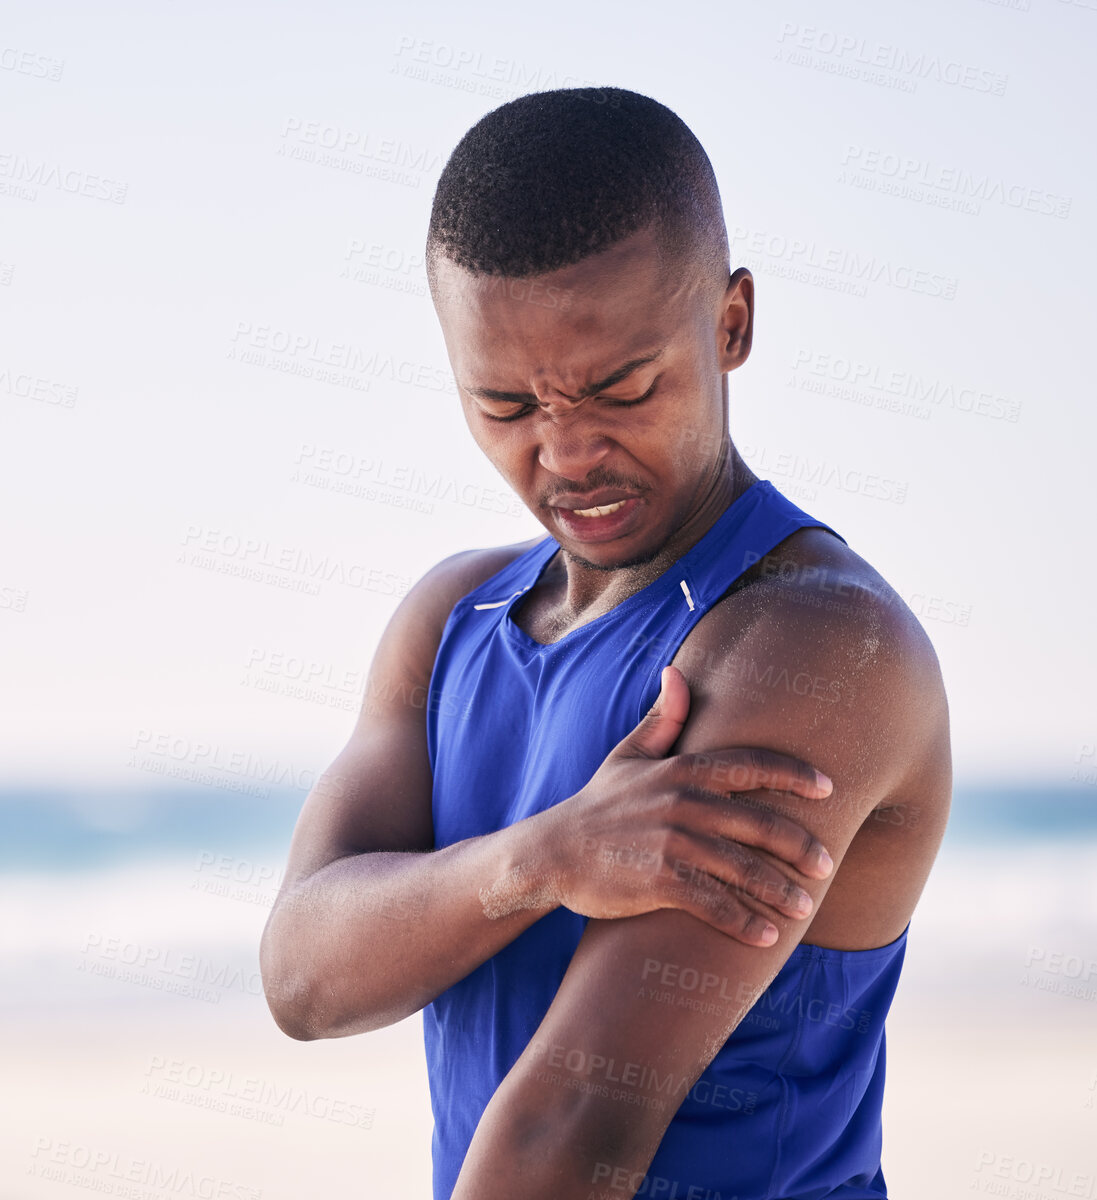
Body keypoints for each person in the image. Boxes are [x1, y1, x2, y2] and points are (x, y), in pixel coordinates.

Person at [258, 87, 951, 1200]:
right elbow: (302, 978)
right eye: (505, 406)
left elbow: (574, 1124)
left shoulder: (817, 646)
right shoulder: (453, 619)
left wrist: (531, 867)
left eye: (621, 389)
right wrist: (546, 859)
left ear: (730, 326)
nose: (567, 453)